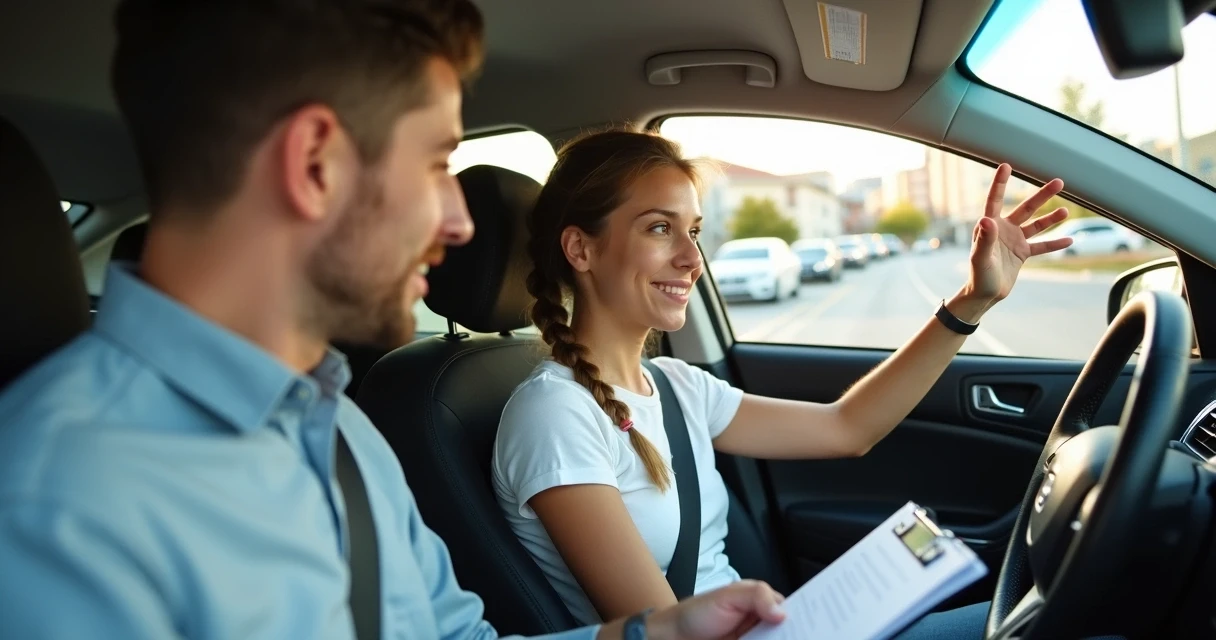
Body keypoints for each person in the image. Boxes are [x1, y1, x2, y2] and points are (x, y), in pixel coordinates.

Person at [0, 2, 788, 639]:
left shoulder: (342, 433)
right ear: (315, 164)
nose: (460, 221)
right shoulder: (55, 504)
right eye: (436, 164)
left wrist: (653, 635)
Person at [491, 130, 1074, 636]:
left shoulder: (674, 386)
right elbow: (668, 634)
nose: (693, 258)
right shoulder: (555, 416)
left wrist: (971, 302)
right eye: (660, 228)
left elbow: (847, 428)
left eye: (693, 230)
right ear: (580, 248)